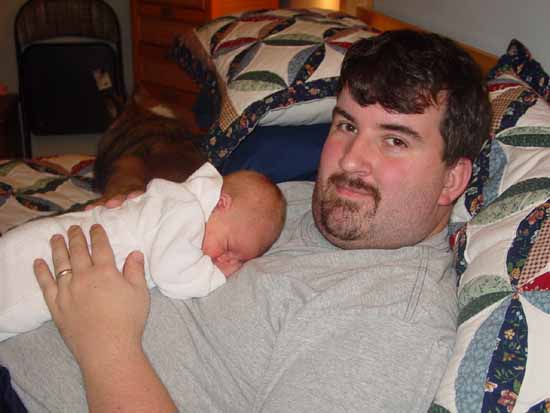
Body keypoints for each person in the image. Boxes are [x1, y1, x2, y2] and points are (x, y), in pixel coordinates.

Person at [0, 29, 490, 412]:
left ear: (452, 179)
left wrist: (103, 343)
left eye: (395, 140)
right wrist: (132, 206)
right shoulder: (301, 201)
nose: (350, 160)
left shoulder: (391, 322)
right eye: (346, 125)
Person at [0, 162, 286, 342]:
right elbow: (173, 275)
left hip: (48, 249)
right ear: (220, 203)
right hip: (48, 259)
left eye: (238, 260)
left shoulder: (174, 201)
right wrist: (215, 276)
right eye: (227, 248)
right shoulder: (185, 210)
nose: (225, 261)